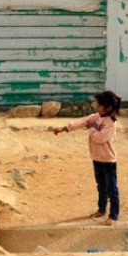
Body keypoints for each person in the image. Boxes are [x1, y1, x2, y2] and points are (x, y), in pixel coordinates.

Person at [53, 91, 122, 226]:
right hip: (96, 158)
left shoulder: (111, 123)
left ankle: (113, 215)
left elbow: (100, 138)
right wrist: (64, 128)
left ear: (108, 108)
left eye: (100, 105)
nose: (97, 106)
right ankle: (101, 209)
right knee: (101, 186)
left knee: (111, 188)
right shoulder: (96, 117)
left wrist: (91, 129)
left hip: (108, 160)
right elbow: (82, 122)